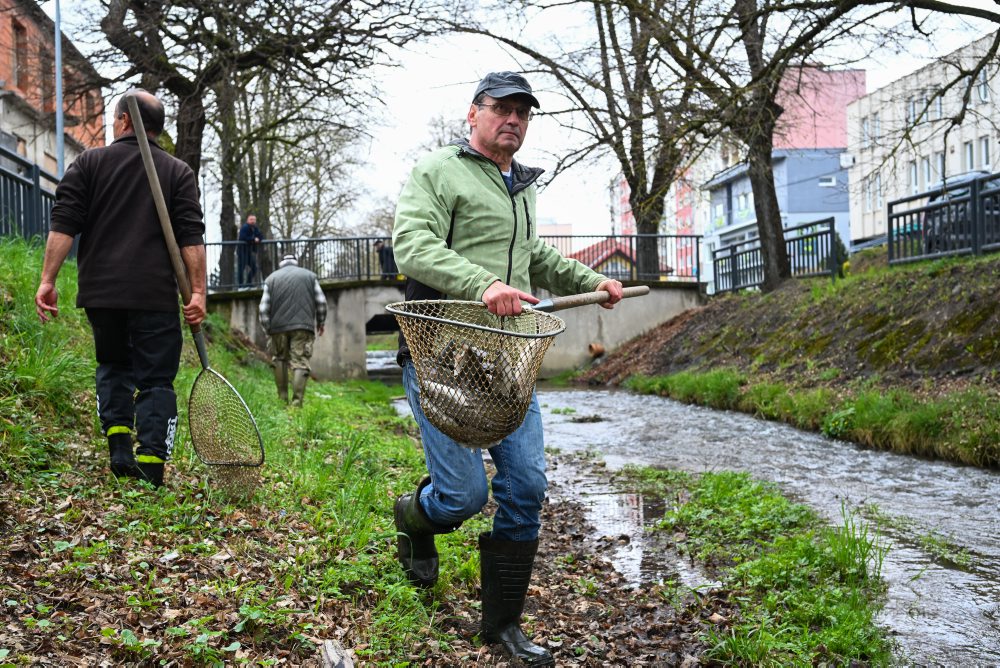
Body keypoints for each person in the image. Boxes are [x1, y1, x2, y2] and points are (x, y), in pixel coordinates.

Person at [391, 71, 623, 666]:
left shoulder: (522, 185)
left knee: (527, 487)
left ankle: (503, 625)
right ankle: (415, 517)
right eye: (502, 108)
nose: (513, 120)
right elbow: (412, 246)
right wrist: (483, 283)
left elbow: (534, 254)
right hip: (441, 355)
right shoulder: (438, 171)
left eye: (523, 112)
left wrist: (591, 279)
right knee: (464, 496)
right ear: (473, 113)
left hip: (507, 363)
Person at [34, 88, 206, 488]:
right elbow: (191, 237)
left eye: (114, 118)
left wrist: (48, 280)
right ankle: (151, 467)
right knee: (156, 380)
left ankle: (119, 449)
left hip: (103, 294)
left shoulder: (89, 163)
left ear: (125, 120)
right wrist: (197, 292)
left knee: (113, 366)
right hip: (155, 295)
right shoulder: (177, 172)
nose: (113, 125)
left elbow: (64, 223)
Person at [258, 254, 327, 407]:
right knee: (300, 361)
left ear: (281, 264)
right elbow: (321, 302)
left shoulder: (271, 279)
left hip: (277, 328)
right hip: (303, 326)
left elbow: (263, 308)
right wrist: (321, 322)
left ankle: (282, 400)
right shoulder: (310, 276)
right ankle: (296, 404)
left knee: (279, 359)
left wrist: (268, 329)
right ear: (296, 263)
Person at [237, 214, 264, 287]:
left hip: (249, 252)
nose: (253, 221)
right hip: (242, 251)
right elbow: (243, 237)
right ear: (247, 220)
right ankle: (240, 286)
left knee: (254, 268)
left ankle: (248, 283)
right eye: (251, 219)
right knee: (241, 269)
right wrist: (253, 239)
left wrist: (258, 239)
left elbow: (261, 236)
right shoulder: (245, 227)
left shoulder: (254, 228)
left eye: (254, 220)